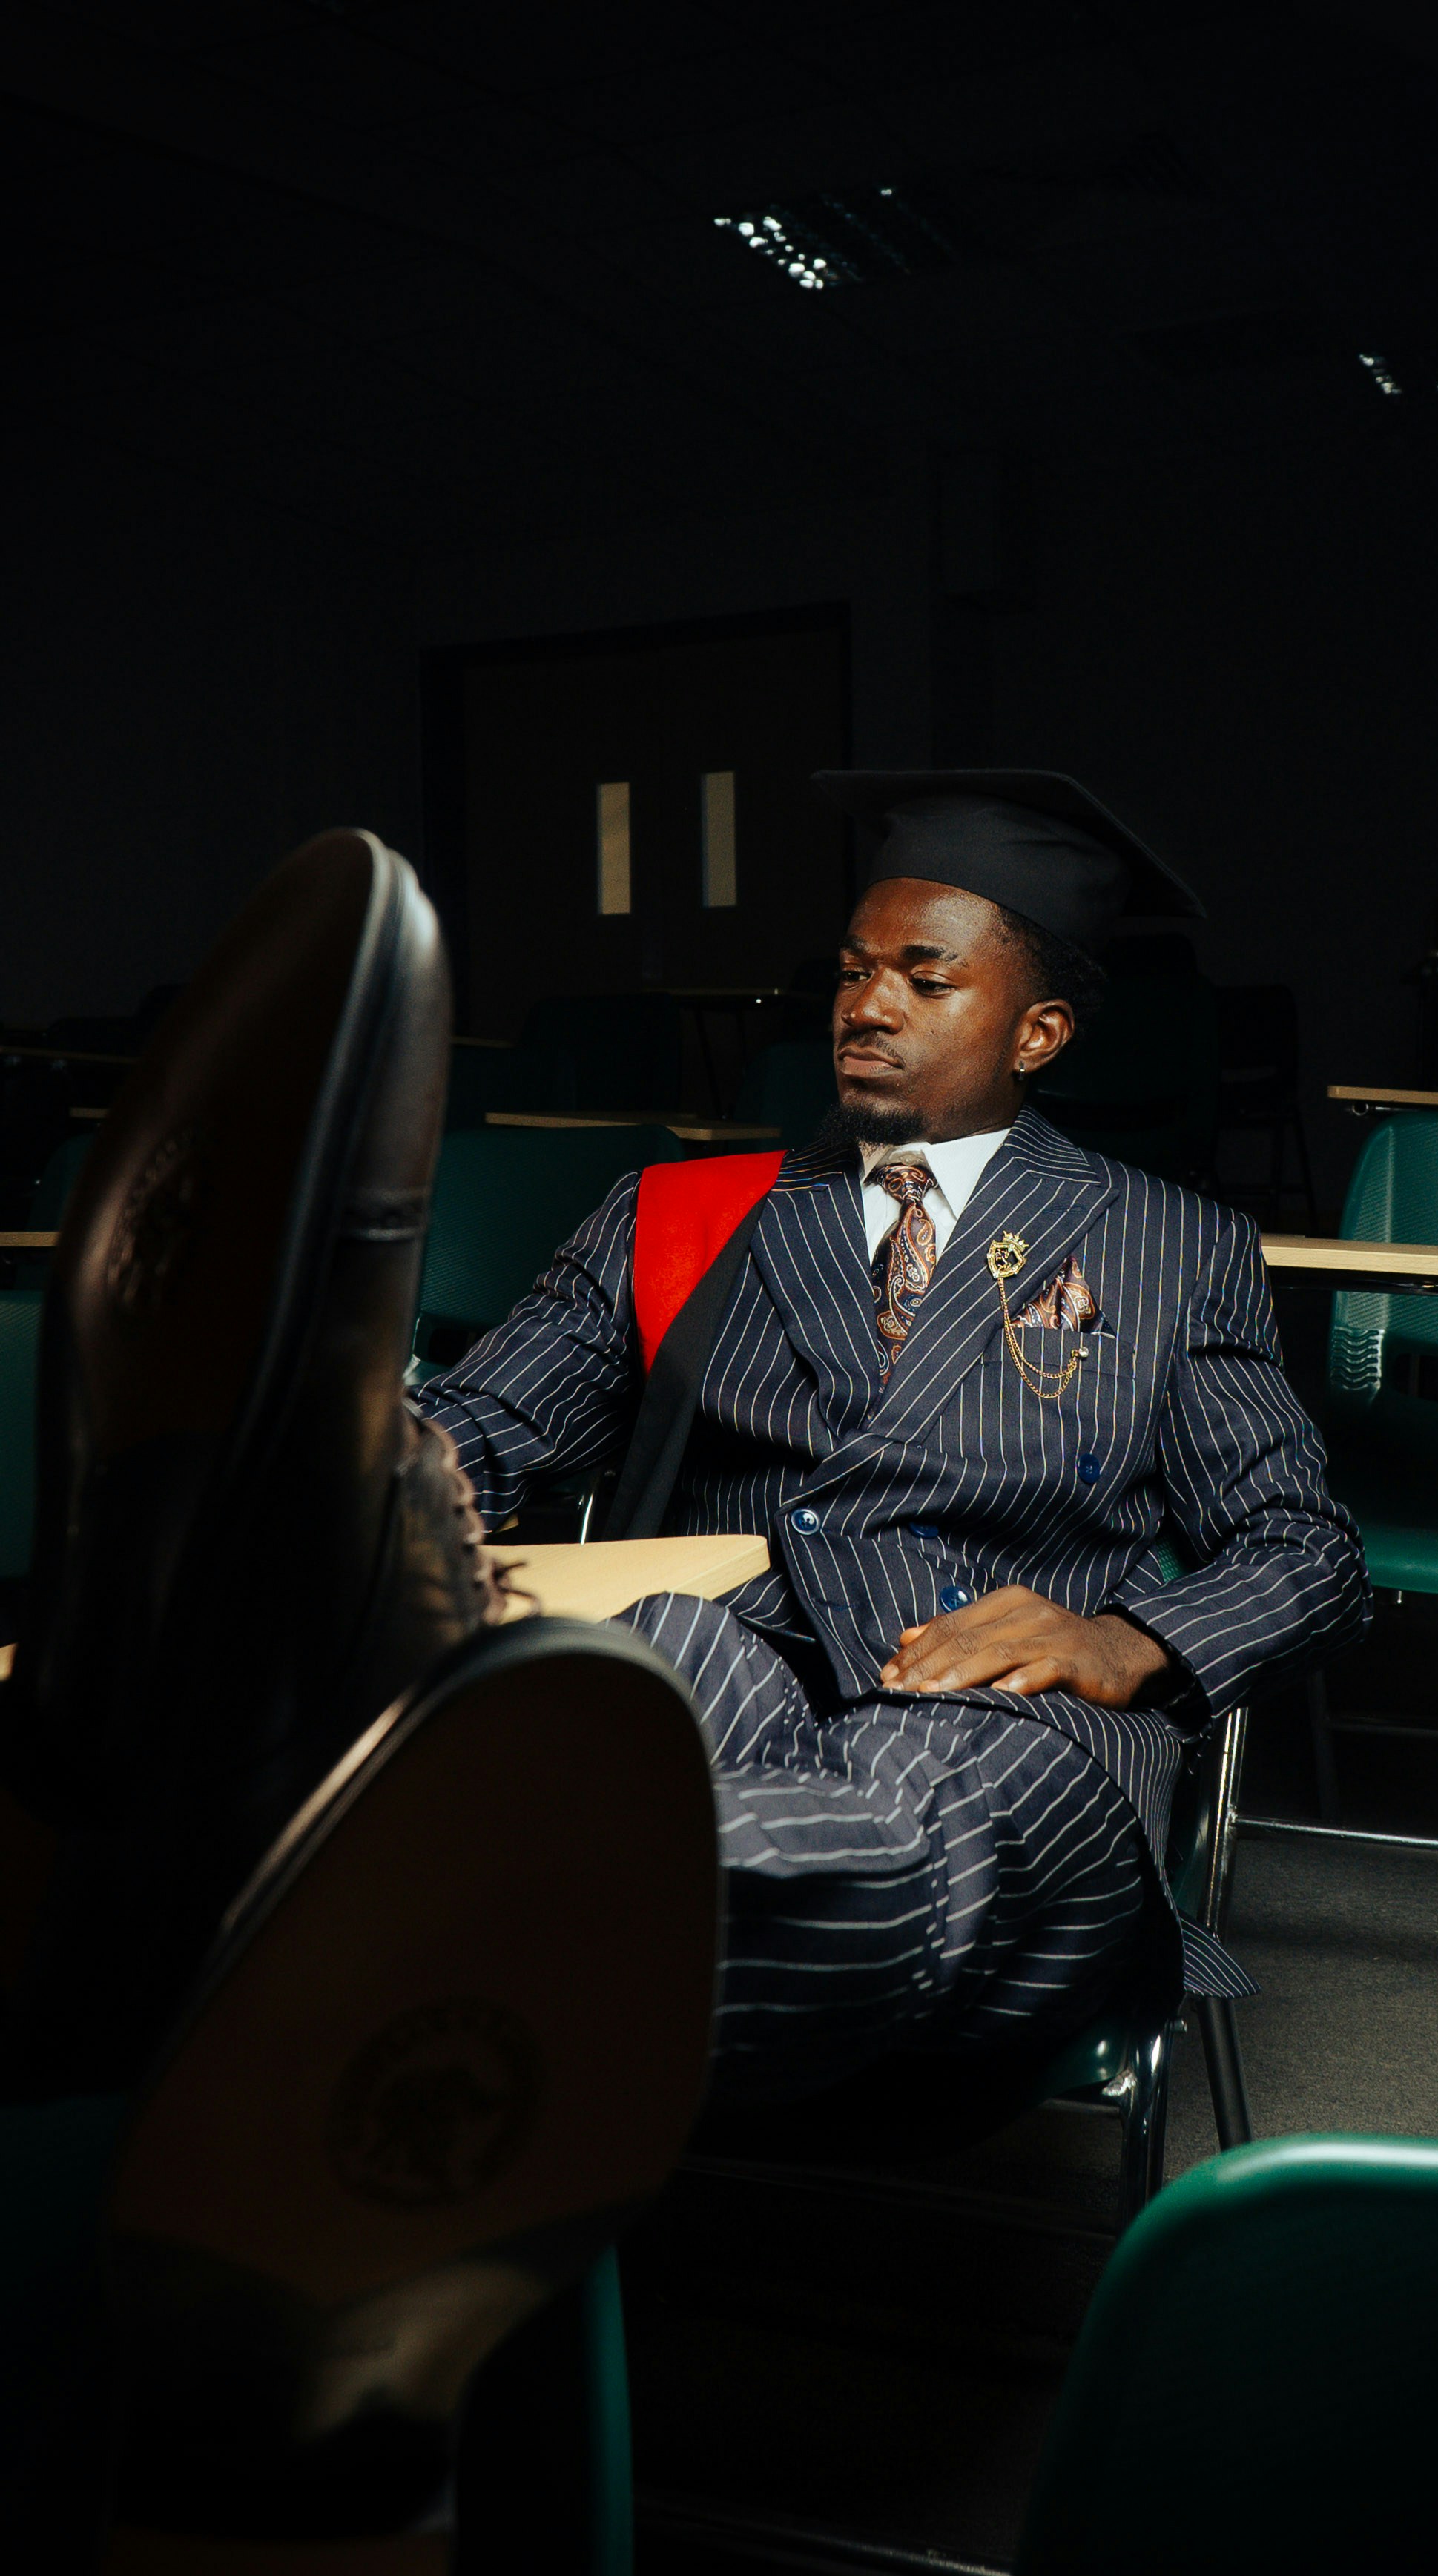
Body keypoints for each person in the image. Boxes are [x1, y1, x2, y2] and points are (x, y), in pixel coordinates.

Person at [416, 770, 1369, 2101]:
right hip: (729, 1653)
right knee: (632, 1678)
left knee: (921, 1798)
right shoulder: (678, 1216)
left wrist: (1125, 1639)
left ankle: (444, 1927)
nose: (867, 1006)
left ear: (1036, 1032)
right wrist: (350, 1468)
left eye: (928, 980)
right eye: (857, 971)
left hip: (1007, 1713)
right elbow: (474, 1427)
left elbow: (1307, 1552)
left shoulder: (1169, 1244)